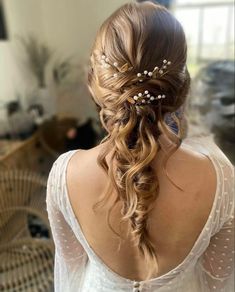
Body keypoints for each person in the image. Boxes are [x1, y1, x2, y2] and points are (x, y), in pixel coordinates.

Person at [46, 2, 234, 291]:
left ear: (95, 84)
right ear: (183, 86)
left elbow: (69, 270)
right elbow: (217, 280)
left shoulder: (64, 174)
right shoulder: (221, 177)